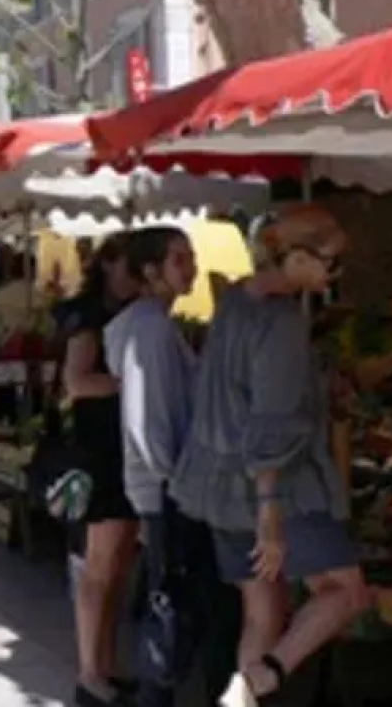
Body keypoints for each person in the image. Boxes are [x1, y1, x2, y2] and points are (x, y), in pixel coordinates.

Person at [171, 205, 372, 706]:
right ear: (297, 256)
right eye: (331, 260)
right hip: (276, 488)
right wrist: (270, 516)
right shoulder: (282, 323)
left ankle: (243, 693)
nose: (337, 272)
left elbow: (242, 390)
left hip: (216, 484)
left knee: (262, 611)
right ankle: (262, 677)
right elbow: (270, 425)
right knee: (346, 592)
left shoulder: (235, 299)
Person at [105, 228, 220, 706]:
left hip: (164, 484)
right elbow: (148, 415)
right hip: (166, 487)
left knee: (167, 595)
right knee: (170, 599)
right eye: (178, 259)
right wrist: (173, 478)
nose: (189, 267)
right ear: (151, 272)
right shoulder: (151, 328)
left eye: (190, 257)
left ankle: (161, 691)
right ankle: (158, 695)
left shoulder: (152, 323)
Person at [53, 236, 139, 707]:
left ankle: (106, 664)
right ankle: (90, 671)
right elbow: (76, 382)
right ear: (107, 265)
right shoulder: (87, 317)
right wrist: (133, 382)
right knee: (99, 566)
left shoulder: (129, 313)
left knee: (119, 565)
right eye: (130, 266)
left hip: (122, 448)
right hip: (97, 451)